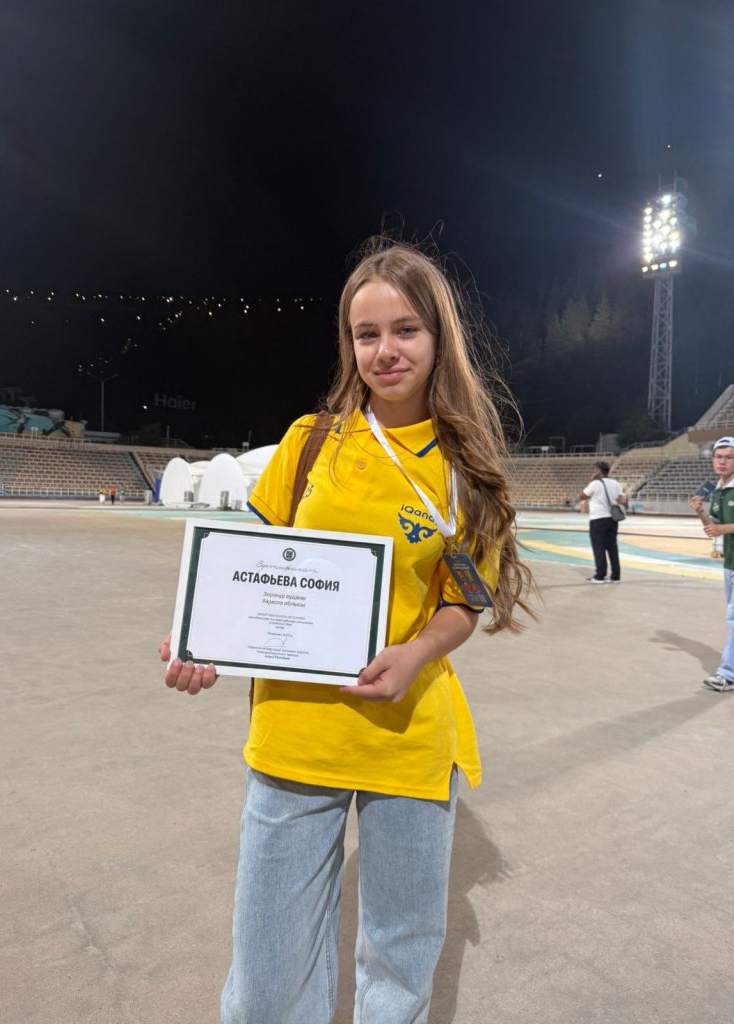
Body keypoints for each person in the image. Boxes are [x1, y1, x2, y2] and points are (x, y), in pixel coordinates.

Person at [159, 239, 535, 1024]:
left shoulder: (464, 469)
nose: (385, 351)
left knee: (398, 963)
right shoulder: (310, 443)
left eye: (405, 330)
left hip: (407, 734)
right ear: (349, 344)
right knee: (265, 982)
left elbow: (464, 601)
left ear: (439, 338)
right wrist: (200, 637)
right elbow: (245, 569)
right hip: (294, 734)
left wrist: (419, 651)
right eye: (367, 334)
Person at [689, 436, 734, 692]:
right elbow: (712, 528)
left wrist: (723, 528)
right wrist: (700, 512)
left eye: (729, 457)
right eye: (719, 457)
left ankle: (728, 674)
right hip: (730, 563)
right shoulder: (718, 491)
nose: (722, 462)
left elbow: (722, 528)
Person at [579, 461, 626, 583]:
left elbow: (582, 496)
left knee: (598, 547)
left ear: (599, 471)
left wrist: (591, 481)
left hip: (598, 518)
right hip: (613, 519)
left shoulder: (595, 483)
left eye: (595, 469)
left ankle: (600, 576)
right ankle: (615, 576)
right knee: (612, 547)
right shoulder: (615, 483)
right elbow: (620, 500)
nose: (594, 471)